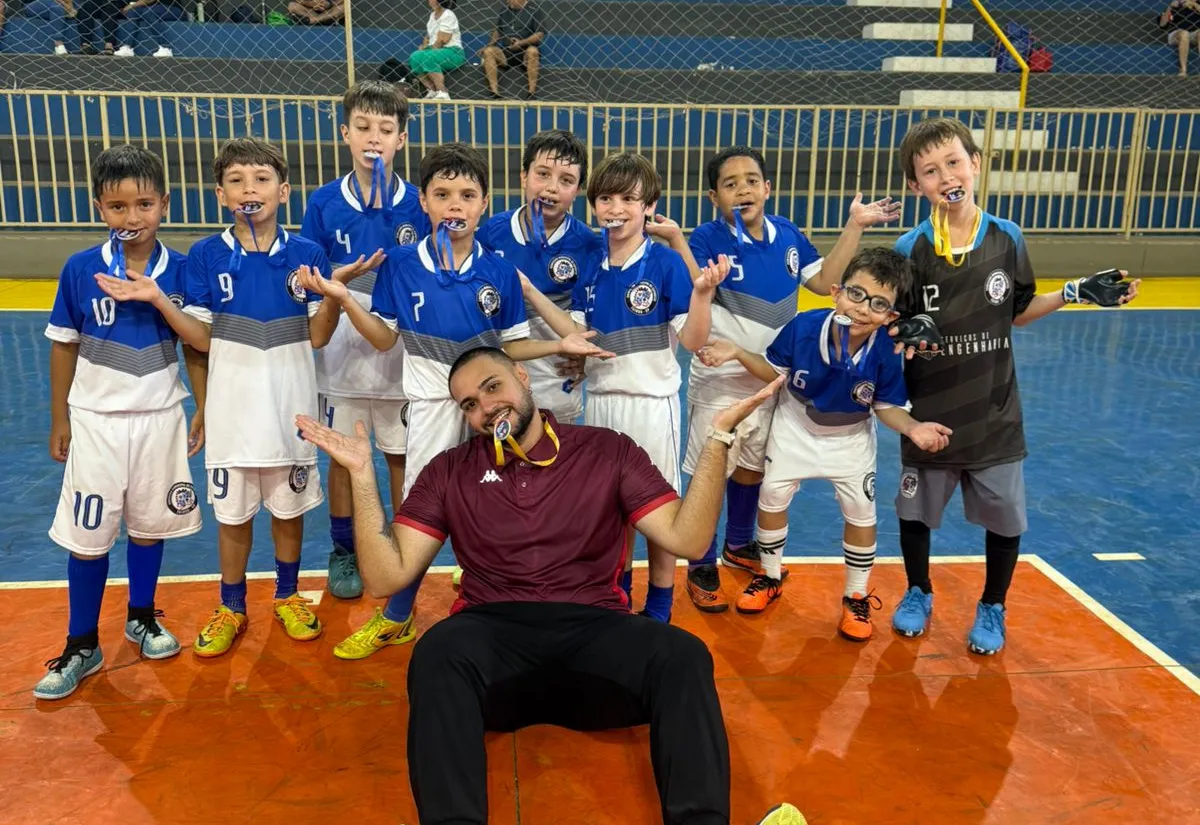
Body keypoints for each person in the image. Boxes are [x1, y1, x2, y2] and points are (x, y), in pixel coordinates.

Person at [295, 346, 807, 825]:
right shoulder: (450, 470)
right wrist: (362, 478)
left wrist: (717, 440)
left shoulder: (607, 451)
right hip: (493, 655)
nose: (485, 409)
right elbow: (387, 576)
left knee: (683, 655)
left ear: (523, 377)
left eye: (493, 387)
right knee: (437, 652)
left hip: (595, 642)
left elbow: (690, 540)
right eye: (470, 405)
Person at [299, 142, 611, 659]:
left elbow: (510, 344)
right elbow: (383, 339)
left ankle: (495, 601)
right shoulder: (401, 264)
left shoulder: (499, 271)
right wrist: (346, 300)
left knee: (506, 504)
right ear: (423, 202)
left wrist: (559, 343)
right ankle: (398, 615)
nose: (454, 206)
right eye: (442, 194)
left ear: (485, 203)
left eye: (467, 195)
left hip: (491, 411)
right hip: (429, 408)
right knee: (422, 513)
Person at [889, 117, 1140, 655]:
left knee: (1004, 518)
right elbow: (894, 323)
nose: (946, 175)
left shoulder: (1007, 237)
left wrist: (1073, 291)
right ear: (916, 187)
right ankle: (917, 589)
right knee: (914, 514)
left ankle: (994, 604)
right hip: (928, 410)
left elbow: (1019, 309)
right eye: (930, 171)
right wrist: (900, 327)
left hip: (994, 410)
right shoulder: (910, 247)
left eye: (954, 162)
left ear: (975, 163)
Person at [101, 137, 348, 657]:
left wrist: (333, 298)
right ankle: (231, 604)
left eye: (261, 180)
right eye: (237, 181)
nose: (249, 190)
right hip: (233, 411)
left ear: (283, 191)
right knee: (232, 515)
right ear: (220, 194)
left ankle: (287, 594)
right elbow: (201, 338)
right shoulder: (207, 256)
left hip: (291, 409)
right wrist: (160, 301)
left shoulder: (307, 254)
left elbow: (319, 336)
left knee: (288, 507)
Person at [681, 146, 902, 614]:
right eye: (730, 182)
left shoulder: (787, 235)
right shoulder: (705, 238)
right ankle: (700, 562)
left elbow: (825, 283)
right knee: (711, 472)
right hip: (722, 376)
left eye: (751, 179)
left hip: (772, 376)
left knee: (754, 469)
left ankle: (739, 545)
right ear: (713, 196)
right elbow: (697, 288)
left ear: (768, 188)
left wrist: (855, 227)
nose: (742, 188)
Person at [698, 248, 952, 638]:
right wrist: (736, 351)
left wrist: (913, 427)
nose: (863, 309)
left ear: (891, 316)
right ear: (835, 292)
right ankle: (768, 576)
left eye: (879, 303)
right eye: (856, 294)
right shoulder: (803, 327)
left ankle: (855, 596)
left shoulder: (885, 348)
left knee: (861, 515)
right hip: (794, 427)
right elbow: (773, 371)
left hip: (850, 439)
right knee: (772, 500)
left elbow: (885, 406)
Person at [522, 152, 728, 622]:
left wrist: (701, 295)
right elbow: (574, 334)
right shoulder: (591, 263)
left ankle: (659, 602)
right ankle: (616, 593)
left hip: (653, 408)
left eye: (629, 199)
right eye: (606, 198)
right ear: (593, 203)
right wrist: (532, 294)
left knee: (660, 513)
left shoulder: (666, 263)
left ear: (649, 205)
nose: (616, 208)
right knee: (607, 510)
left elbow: (695, 341)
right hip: (601, 407)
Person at [36, 145, 206, 700]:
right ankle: (81, 642)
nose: (132, 218)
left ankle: (141, 616)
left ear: (165, 203)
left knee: (150, 525)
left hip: (160, 417)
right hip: (96, 423)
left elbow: (201, 344)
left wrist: (203, 407)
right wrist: (59, 415)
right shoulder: (81, 268)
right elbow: (64, 345)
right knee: (88, 537)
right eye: (117, 206)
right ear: (98, 207)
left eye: (144, 204)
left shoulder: (182, 270)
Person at [299, 80, 430, 618]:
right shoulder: (324, 202)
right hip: (342, 345)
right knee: (342, 453)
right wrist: (337, 279)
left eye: (385, 129)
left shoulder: (419, 202)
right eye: (364, 128)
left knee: (401, 455)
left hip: (401, 342)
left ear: (402, 137)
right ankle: (344, 549)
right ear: (345, 133)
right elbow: (307, 273)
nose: (374, 139)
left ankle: (400, 545)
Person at [477, 128, 600, 422]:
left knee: (557, 460)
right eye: (542, 174)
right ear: (523, 176)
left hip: (557, 379)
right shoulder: (492, 232)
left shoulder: (589, 245)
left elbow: (592, 322)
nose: (551, 188)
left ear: (579, 190)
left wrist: (586, 361)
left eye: (566, 180)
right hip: (498, 375)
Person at [480, 0, 545, 99]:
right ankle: (494, 92)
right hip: (507, 52)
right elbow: (498, 30)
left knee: (533, 52)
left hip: (525, 52)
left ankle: (531, 93)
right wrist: (490, 44)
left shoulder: (534, 10)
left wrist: (521, 43)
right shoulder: (505, 10)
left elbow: (540, 34)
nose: (508, 1)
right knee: (488, 52)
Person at [409, 0, 465, 101]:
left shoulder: (448, 14)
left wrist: (428, 50)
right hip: (436, 50)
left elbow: (443, 39)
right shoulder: (432, 15)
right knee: (415, 57)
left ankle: (442, 92)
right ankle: (431, 90)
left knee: (428, 56)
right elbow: (429, 36)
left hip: (453, 52)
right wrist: (424, 46)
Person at [114, 0, 188, 57]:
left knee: (147, 12)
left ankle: (165, 47)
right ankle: (127, 47)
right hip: (152, 8)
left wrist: (131, 6)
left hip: (173, 9)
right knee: (132, 12)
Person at [1160, 0, 1200, 75]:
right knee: (1184, 34)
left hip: (1195, 34)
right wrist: (1170, 7)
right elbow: (1162, 25)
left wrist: (1194, 4)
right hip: (1177, 34)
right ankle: (1183, 70)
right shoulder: (1176, 5)